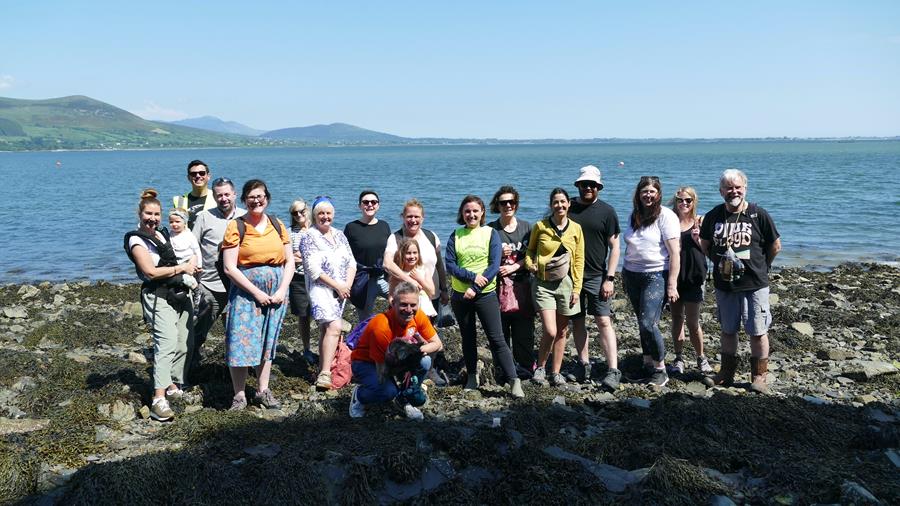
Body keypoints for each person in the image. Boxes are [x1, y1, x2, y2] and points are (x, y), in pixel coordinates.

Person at [700, 169, 781, 394]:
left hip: (755, 283)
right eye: (728, 187)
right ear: (720, 191)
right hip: (725, 285)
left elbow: (775, 246)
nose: (733, 191)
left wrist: (762, 267)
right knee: (728, 330)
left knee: (757, 330)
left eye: (737, 187)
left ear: (745, 188)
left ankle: (759, 376)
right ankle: (726, 373)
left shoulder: (758, 214)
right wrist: (720, 263)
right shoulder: (714, 216)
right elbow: (705, 245)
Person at [124, 189, 198, 421]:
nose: (153, 218)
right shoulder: (137, 240)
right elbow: (150, 271)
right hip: (158, 296)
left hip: (179, 293)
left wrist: (193, 264)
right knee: (165, 345)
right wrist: (182, 269)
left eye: (157, 214)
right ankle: (158, 398)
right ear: (140, 213)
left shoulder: (162, 235)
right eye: (148, 213)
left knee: (184, 342)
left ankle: (173, 386)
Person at [221, 179, 293, 410]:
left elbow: (290, 261)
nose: (256, 200)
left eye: (260, 196)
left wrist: (282, 289)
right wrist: (256, 293)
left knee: (267, 340)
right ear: (244, 200)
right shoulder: (236, 226)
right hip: (245, 293)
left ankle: (263, 390)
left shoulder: (277, 224)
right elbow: (229, 267)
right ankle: (239, 394)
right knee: (240, 340)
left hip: (276, 292)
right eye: (251, 197)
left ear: (267, 198)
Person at [445, 195, 525, 398]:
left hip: (485, 295)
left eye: (475, 211)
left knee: (497, 338)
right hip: (461, 296)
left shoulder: (491, 233)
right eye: (467, 211)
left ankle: (514, 380)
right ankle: (472, 377)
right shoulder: (456, 235)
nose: (471, 214)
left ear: (482, 213)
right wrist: (472, 279)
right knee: (468, 337)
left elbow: (494, 264)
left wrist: (477, 288)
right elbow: (451, 265)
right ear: (462, 214)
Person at [349, 281, 444, 420]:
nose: (409, 309)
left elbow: (437, 344)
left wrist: (415, 351)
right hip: (367, 362)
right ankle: (359, 396)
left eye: (413, 305)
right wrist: (403, 371)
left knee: (425, 361)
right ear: (393, 303)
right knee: (388, 391)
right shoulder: (381, 327)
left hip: (397, 359)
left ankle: (404, 400)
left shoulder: (418, 316)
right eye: (403, 304)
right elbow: (382, 372)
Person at [567, 165, 623, 390]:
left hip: (597, 276)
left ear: (598, 187)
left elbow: (615, 247)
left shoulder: (607, 212)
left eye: (592, 185)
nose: (587, 188)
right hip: (570, 278)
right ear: (578, 185)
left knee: (603, 320)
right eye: (583, 184)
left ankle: (613, 369)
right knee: (577, 321)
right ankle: (584, 364)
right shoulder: (568, 207)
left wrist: (609, 278)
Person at [622, 176, 681, 387]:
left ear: (658, 194)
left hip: (656, 275)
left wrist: (672, 284)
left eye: (652, 192)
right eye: (644, 191)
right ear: (638, 194)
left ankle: (660, 369)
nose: (648, 195)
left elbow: (675, 253)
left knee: (649, 323)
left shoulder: (666, 216)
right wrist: (623, 272)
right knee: (641, 323)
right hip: (632, 274)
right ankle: (647, 364)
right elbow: (631, 247)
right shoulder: (635, 216)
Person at [525, 188, 585, 387]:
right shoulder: (540, 226)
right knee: (550, 331)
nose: (559, 205)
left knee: (562, 331)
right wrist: (529, 264)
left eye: (563, 202)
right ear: (551, 205)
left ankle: (556, 372)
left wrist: (577, 289)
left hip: (566, 285)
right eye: (555, 202)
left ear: (568, 204)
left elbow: (579, 260)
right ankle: (540, 367)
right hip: (543, 284)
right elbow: (530, 250)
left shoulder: (576, 229)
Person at [299, 196, 356, 390]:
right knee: (334, 326)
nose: (325, 217)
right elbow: (313, 270)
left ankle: (326, 367)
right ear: (314, 216)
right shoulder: (309, 237)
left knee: (326, 330)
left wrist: (346, 285)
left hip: (341, 292)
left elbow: (352, 262)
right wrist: (337, 286)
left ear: (333, 214)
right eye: (320, 214)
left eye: (328, 213)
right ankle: (324, 373)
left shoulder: (340, 234)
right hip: (320, 289)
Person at [190, 177, 246, 374]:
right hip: (210, 284)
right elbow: (192, 246)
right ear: (214, 197)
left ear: (234, 194)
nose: (223, 198)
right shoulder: (205, 217)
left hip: (238, 285)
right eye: (219, 195)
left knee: (237, 330)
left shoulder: (245, 217)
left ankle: (240, 365)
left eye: (227, 194)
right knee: (200, 327)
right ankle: (191, 361)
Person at [488, 186, 535, 379]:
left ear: (516, 204)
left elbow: (533, 256)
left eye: (511, 202)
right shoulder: (491, 229)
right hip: (498, 289)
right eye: (503, 202)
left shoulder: (527, 228)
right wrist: (499, 255)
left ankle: (524, 367)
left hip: (523, 286)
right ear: (497, 205)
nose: (508, 205)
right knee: (500, 332)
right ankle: (503, 369)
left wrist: (515, 266)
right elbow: (485, 260)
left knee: (524, 331)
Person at [668, 186, 713, 374]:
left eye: (688, 200)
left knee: (693, 322)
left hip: (695, 276)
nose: (684, 203)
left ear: (694, 202)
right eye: (680, 200)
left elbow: (709, 252)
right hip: (674, 278)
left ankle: (701, 357)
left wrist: (697, 239)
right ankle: (679, 358)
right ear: (675, 201)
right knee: (676, 318)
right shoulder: (669, 221)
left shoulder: (700, 222)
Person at [383, 199, 449, 322]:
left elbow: (439, 265)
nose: (413, 220)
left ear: (422, 218)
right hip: (404, 300)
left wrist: (444, 289)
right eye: (409, 216)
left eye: (417, 216)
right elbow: (387, 264)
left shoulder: (431, 236)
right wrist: (410, 280)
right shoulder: (395, 238)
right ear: (403, 217)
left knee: (427, 334)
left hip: (430, 297)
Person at [344, 190, 391, 321]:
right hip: (363, 279)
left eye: (373, 202)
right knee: (365, 320)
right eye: (366, 202)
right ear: (360, 206)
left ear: (378, 205)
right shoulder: (351, 227)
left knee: (402, 301)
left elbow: (390, 252)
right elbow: (345, 257)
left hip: (383, 277)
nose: (370, 204)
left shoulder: (384, 226)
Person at [288, 199, 316, 364]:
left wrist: (301, 256)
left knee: (322, 315)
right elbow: (287, 256)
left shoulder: (317, 229)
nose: (299, 215)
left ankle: (325, 347)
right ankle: (306, 348)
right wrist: (298, 257)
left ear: (308, 210)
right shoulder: (290, 231)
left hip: (317, 279)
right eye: (294, 213)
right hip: (297, 279)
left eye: (301, 211)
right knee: (303, 315)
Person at [388, 238, 437, 317]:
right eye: (408, 253)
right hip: (404, 314)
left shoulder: (423, 270)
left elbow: (432, 293)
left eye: (415, 253)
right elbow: (391, 296)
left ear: (419, 253)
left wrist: (420, 279)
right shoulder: (398, 274)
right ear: (402, 254)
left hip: (424, 312)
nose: (412, 256)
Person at [173, 160, 217, 228]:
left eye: (202, 173)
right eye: (193, 174)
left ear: (208, 176)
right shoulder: (179, 201)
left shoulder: (217, 198)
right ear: (188, 177)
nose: (198, 176)